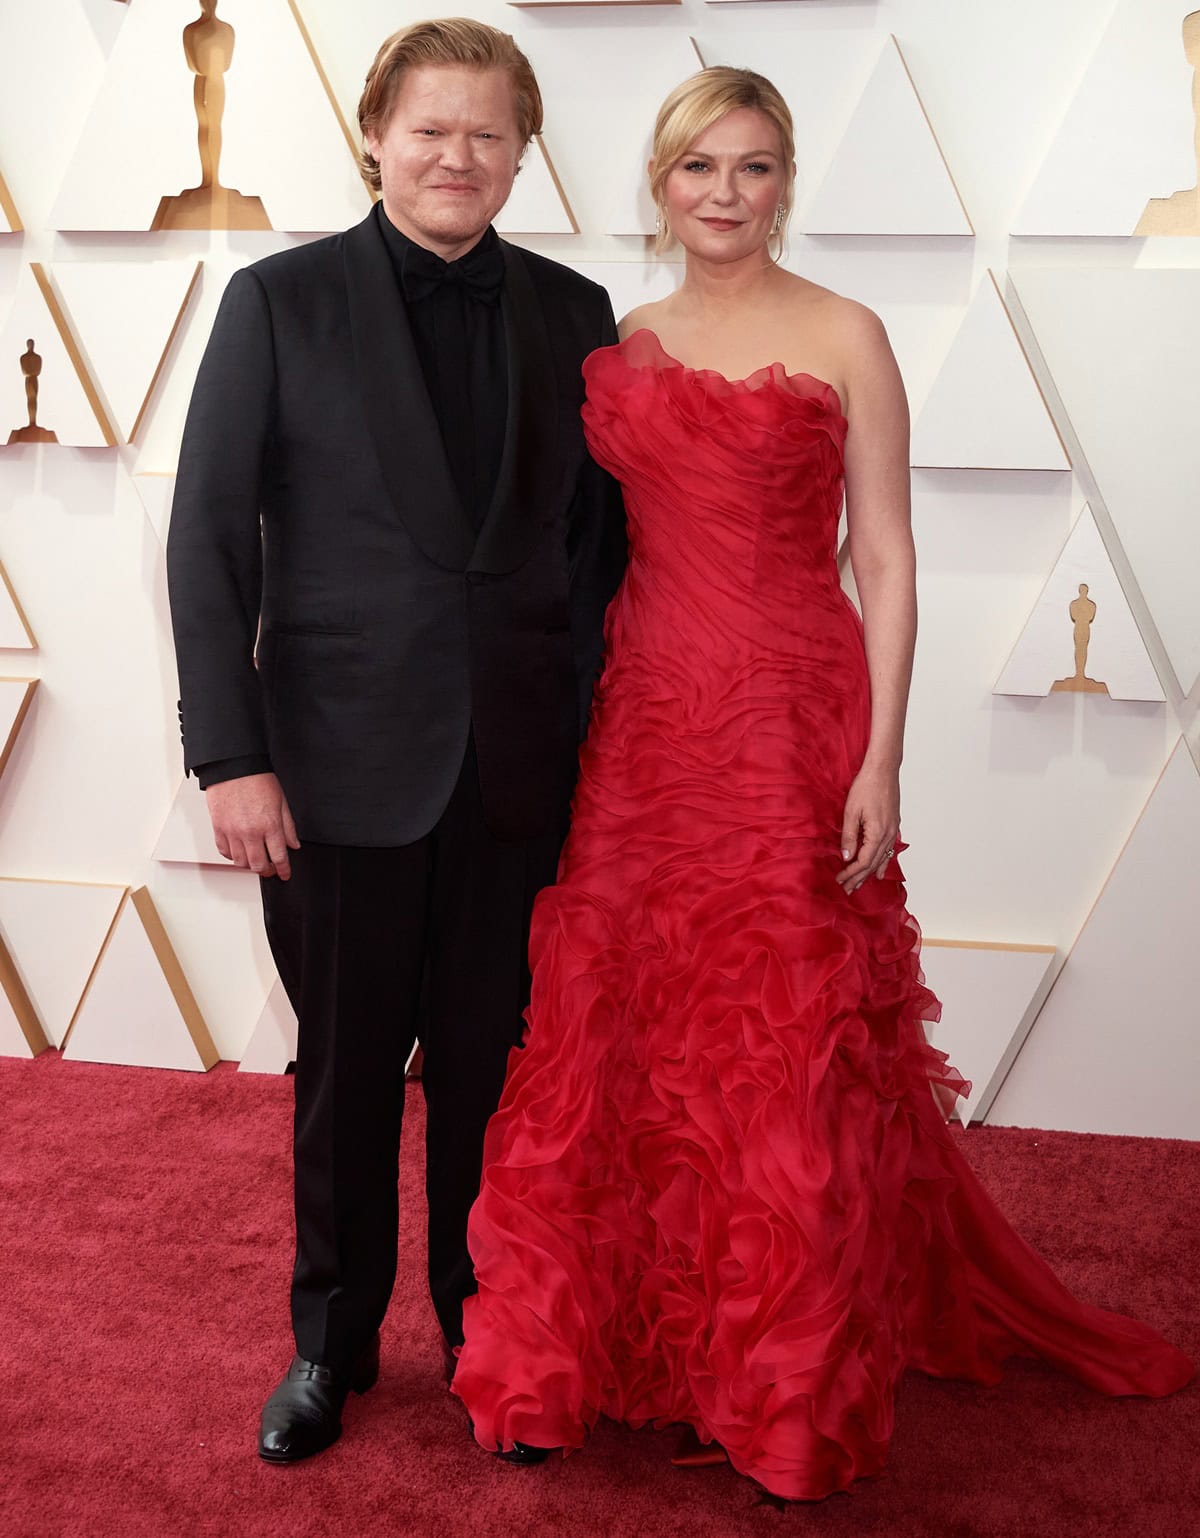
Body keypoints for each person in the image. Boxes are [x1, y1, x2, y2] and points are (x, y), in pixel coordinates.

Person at [451, 66, 1194, 1500]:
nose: (727, 194)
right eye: (699, 168)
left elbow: (892, 556)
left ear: (790, 181)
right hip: (648, 713)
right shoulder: (621, 336)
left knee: (779, 1029)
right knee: (620, 1021)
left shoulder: (846, 332)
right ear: (659, 185)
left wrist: (883, 748)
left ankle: (780, 1388)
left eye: (756, 166)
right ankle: (572, 1355)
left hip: (792, 707)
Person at [166, 18, 624, 1465]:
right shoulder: (278, 302)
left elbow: (596, 554)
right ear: (374, 133)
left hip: (517, 778)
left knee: (498, 1082)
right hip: (334, 774)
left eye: (488, 133)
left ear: (523, 150)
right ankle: (331, 1340)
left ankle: (496, 1341)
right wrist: (231, 755)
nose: (458, 157)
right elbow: (205, 541)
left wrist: (599, 752)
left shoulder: (576, 310)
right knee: (346, 1077)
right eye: (431, 128)